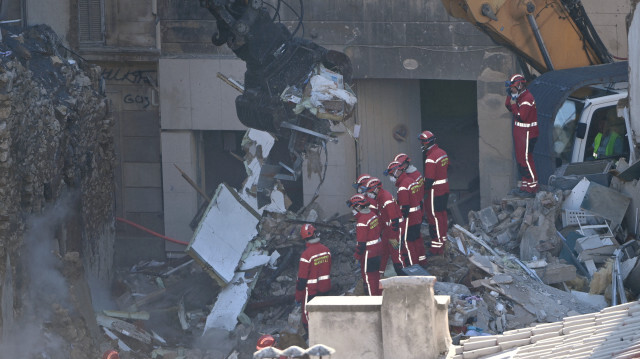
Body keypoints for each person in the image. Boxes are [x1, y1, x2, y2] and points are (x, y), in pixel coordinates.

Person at [385, 160, 427, 267]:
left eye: (391, 174)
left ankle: (414, 268)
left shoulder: (403, 187)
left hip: (410, 220)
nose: (390, 177)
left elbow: (405, 208)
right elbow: (417, 199)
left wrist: (399, 222)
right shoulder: (411, 181)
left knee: (409, 245)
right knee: (417, 241)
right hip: (417, 217)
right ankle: (422, 262)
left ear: (397, 172)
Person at [363, 177, 406, 276]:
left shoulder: (386, 198)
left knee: (396, 253)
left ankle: (403, 275)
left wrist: (393, 237)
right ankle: (380, 274)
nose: (368, 194)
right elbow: (382, 217)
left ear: (376, 189)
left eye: (369, 191)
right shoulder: (380, 198)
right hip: (389, 229)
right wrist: (378, 232)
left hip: (395, 229)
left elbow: (394, 219)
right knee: (383, 251)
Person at [505, 73, 539, 197]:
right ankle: (525, 186)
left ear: (519, 85)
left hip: (528, 134)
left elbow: (521, 117)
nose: (511, 89)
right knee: (520, 161)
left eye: (512, 87)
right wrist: (510, 97)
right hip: (521, 134)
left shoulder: (527, 99)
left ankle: (533, 186)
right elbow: (508, 106)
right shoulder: (519, 96)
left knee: (526, 160)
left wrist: (514, 104)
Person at [295, 224, 332, 333]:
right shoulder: (326, 250)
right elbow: (329, 268)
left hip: (311, 291)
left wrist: (298, 298)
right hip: (325, 288)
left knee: (308, 316)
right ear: (315, 233)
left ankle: (312, 336)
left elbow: (301, 280)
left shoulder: (306, 255)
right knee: (323, 313)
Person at [419, 130, 450, 255]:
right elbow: (448, 167)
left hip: (434, 192)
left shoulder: (431, 158)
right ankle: (442, 240)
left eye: (422, 142)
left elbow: (429, 179)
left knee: (434, 219)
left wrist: (421, 191)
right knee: (442, 215)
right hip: (445, 189)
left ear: (426, 143)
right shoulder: (442, 153)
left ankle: (436, 247)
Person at [346, 194, 383, 295]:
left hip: (368, 253)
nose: (352, 210)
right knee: (376, 276)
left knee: (369, 278)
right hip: (378, 250)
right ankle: (379, 298)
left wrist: (357, 257)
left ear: (358, 207)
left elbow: (361, 243)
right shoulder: (373, 215)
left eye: (353, 208)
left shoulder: (362, 221)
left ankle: (372, 303)